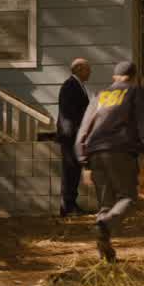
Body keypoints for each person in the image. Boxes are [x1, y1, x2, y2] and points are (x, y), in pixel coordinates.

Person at [76, 61, 144, 262]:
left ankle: (106, 254)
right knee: (128, 197)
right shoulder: (137, 92)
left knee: (105, 204)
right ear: (135, 76)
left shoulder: (100, 96)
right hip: (120, 151)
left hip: (94, 152)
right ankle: (106, 225)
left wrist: (84, 161)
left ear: (114, 78)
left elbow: (84, 129)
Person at [56, 58, 91, 217]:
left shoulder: (79, 86)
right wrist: (78, 134)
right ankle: (67, 207)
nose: (90, 72)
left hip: (76, 136)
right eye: (87, 69)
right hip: (71, 136)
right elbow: (69, 114)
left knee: (75, 172)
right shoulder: (70, 86)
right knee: (70, 171)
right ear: (78, 69)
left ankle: (71, 203)